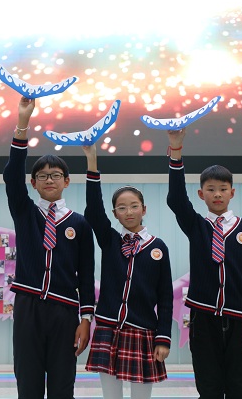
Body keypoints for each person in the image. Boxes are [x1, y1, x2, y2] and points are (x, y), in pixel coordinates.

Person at [3, 96, 95, 399]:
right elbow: (11, 176)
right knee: (28, 384)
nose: (49, 180)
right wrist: (23, 123)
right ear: (33, 183)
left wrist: (85, 319)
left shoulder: (80, 224)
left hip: (65, 311)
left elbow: (86, 276)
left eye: (56, 175)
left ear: (67, 182)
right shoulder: (25, 212)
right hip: (27, 307)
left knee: (62, 386)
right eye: (42, 176)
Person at [166, 129, 242, 399]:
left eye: (223, 189)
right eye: (211, 189)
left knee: (239, 389)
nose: (217, 194)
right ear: (201, 194)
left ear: (232, 192)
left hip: (241, 319)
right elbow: (176, 200)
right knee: (208, 389)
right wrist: (176, 152)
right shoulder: (196, 226)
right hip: (203, 319)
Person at [82, 144, 173, 399]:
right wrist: (92, 163)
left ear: (144, 209)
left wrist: (163, 338)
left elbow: (165, 297)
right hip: (108, 330)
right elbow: (93, 211)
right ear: (114, 214)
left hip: (143, 331)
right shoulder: (110, 239)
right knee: (111, 396)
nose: (129, 212)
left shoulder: (158, 247)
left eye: (134, 206)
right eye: (122, 208)